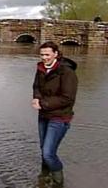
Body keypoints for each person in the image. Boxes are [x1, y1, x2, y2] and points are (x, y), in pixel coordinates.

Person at [31, 41, 78, 187]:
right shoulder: (40, 69)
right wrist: (36, 98)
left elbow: (67, 98)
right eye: (42, 54)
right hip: (43, 116)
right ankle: (44, 177)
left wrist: (43, 103)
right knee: (44, 149)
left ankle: (58, 182)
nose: (44, 57)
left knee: (48, 153)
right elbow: (36, 86)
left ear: (56, 54)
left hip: (60, 117)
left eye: (47, 54)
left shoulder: (67, 72)